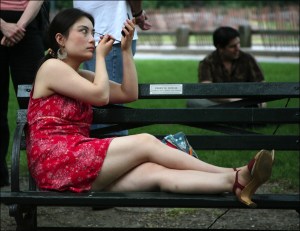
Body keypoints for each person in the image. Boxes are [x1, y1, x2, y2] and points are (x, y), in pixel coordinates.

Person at [26, 8, 274, 208]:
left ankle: (234, 183)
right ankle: (236, 172)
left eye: (93, 31)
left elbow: (128, 93)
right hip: (55, 160)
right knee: (145, 142)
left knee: (155, 173)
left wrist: (125, 51)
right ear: (60, 39)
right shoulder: (52, 68)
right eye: (84, 32)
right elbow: (100, 97)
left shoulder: (84, 76)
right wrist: (101, 58)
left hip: (76, 163)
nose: (93, 39)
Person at [73, 0, 151, 135]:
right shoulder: (54, 71)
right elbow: (116, 96)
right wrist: (137, 13)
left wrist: (124, 50)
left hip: (106, 30)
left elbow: (129, 94)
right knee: (107, 116)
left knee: (103, 110)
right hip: (109, 28)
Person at [0, 0, 46, 187]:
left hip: (28, 24)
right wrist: (3, 25)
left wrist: (19, 27)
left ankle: (44, 173)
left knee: (35, 105)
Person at [187, 26, 266, 108]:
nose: (237, 48)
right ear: (220, 48)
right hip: (219, 103)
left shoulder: (248, 59)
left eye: (238, 44)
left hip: (245, 103)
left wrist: (261, 103)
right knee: (193, 102)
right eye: (232, 46)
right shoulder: (207, 62)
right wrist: (230, 100)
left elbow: (261, 84)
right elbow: (206, 88)